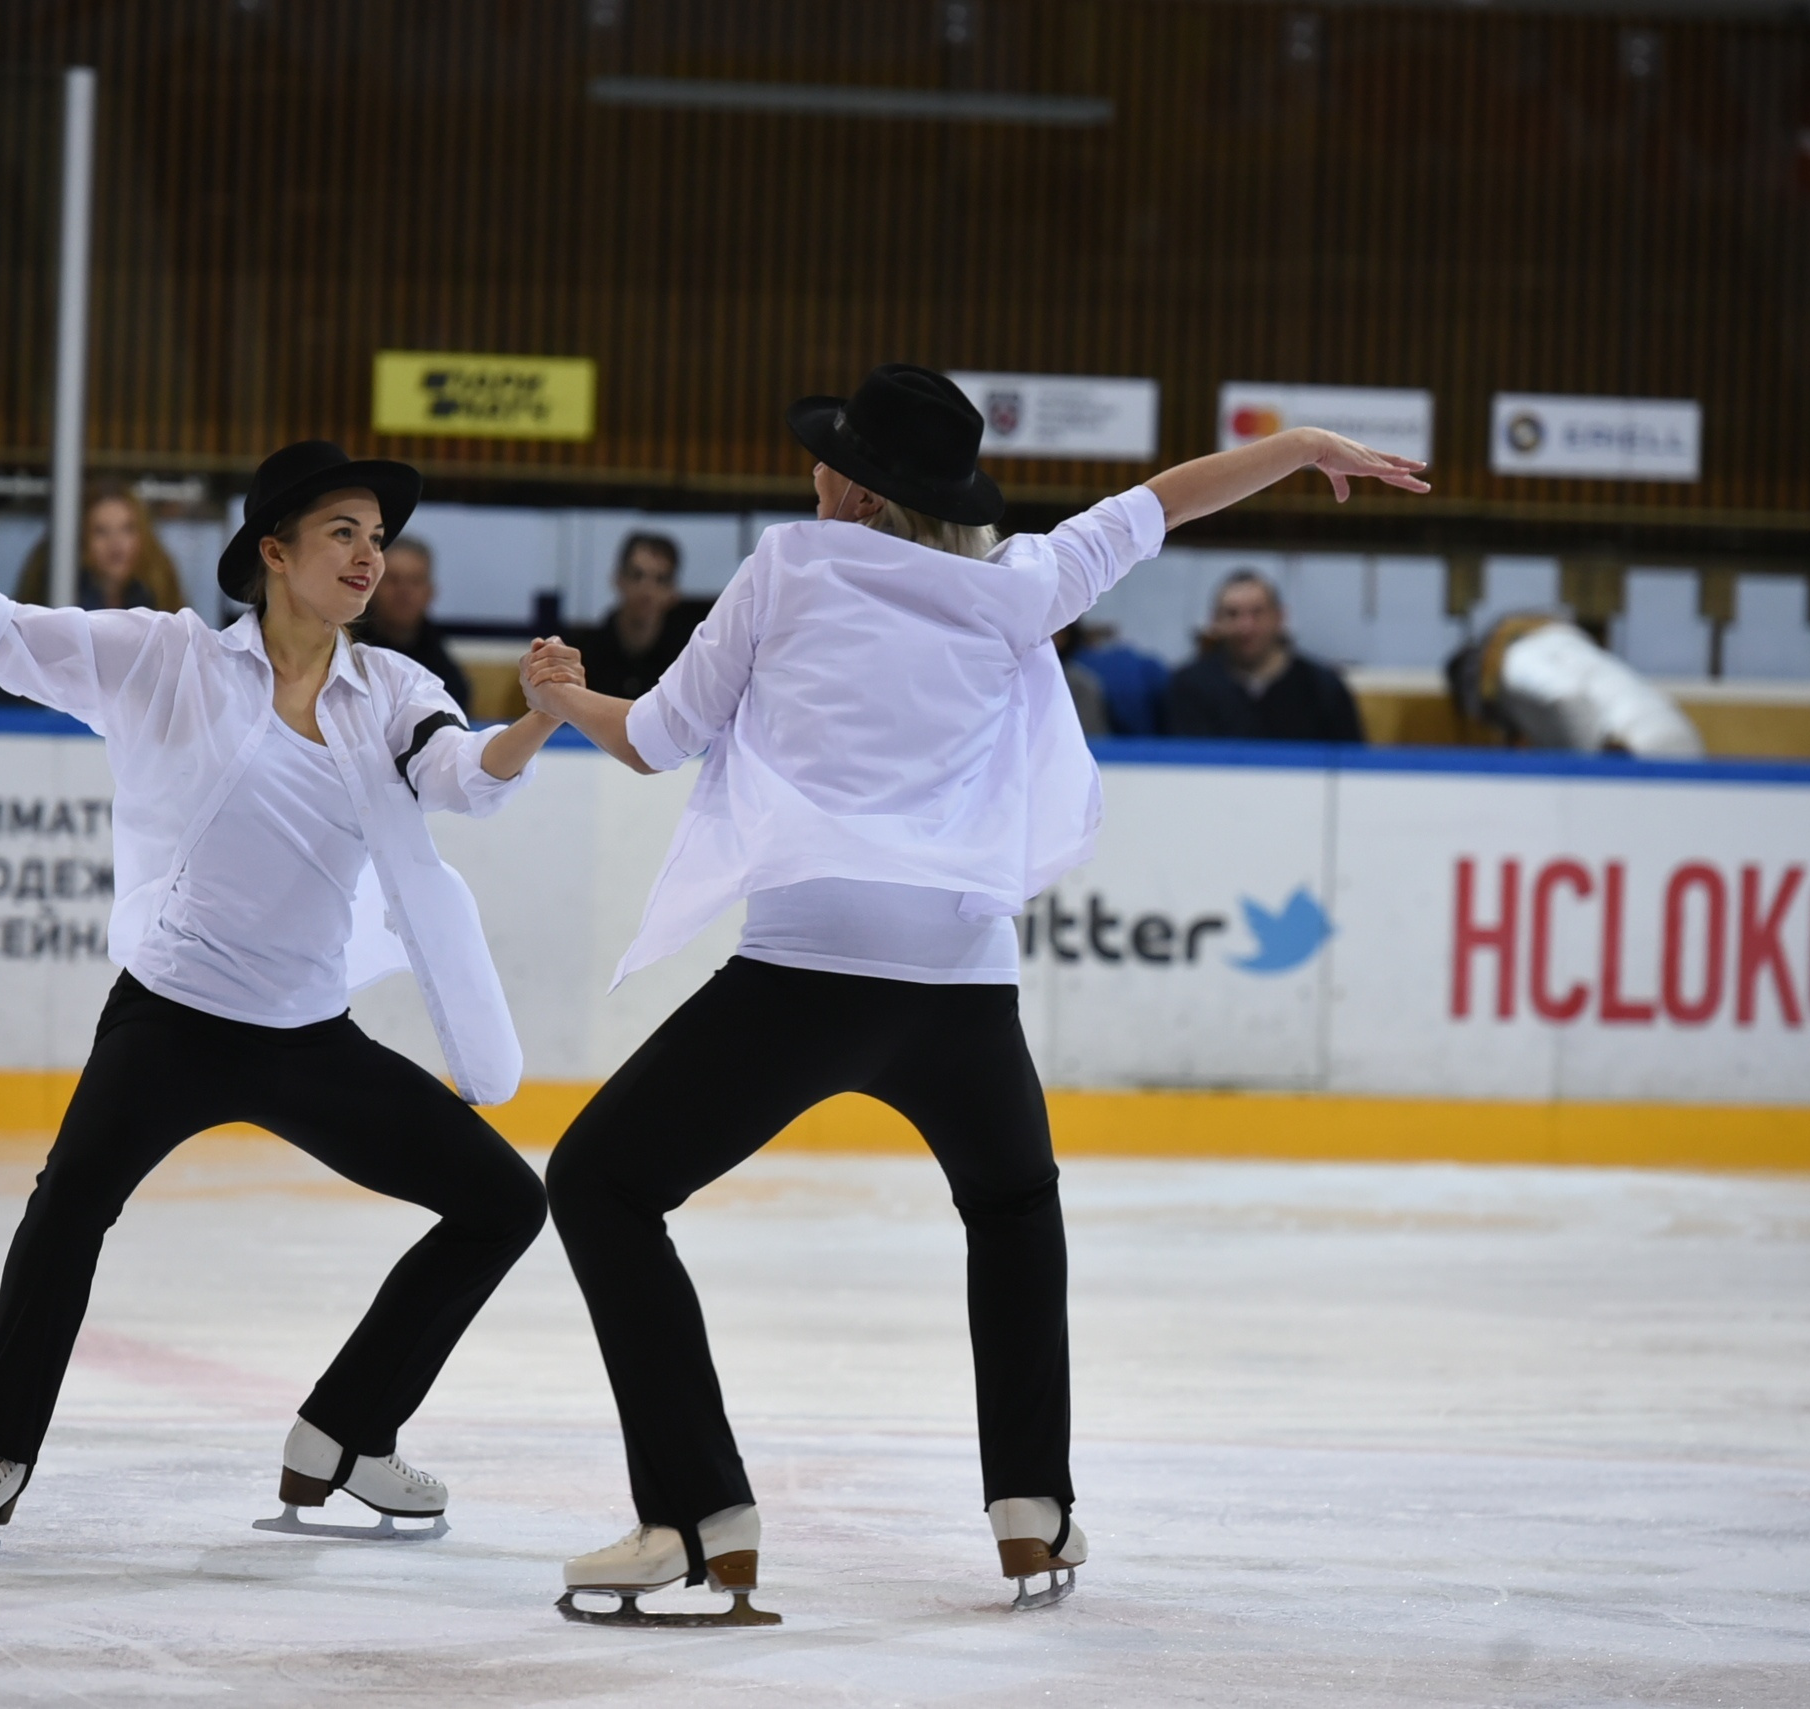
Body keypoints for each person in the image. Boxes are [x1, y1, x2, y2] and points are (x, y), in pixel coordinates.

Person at [518, 364, 1425, 1622]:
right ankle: (1032, 1508)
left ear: (853, 483)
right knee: (1010, 1206)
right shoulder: (1021, 582)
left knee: (600, 1182)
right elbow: (1162, 502)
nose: (812, 471)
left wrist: (558, 695)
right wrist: (1304, 442)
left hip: (806, 970)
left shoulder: (790, 563)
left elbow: (658, 736)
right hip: (960, 986)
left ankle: (696, 1513)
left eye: (827, 455)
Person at [0, 441, 558, 1554]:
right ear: (274, 550)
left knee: (503, 1202)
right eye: (344, 532)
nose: (370, 556)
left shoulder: (391, 691)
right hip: (170, 1018)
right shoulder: (166, 661)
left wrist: (538, 718)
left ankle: (346, 1432)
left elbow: (462, 777)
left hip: (307, 1034)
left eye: (379, 537)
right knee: (66, 1207)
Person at [1448, 615, 1702, 757]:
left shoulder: (1517, 658)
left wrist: (1584, 775)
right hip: (1678, 736)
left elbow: (1567, 697)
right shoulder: (1562, 646)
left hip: (1633, 747)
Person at [1164, 569, 1363, 743]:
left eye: (1257, 613)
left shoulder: (1322, 688)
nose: (1246, 627)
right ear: (1215, 621)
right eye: (1233, 614)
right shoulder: (1190, 687)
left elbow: (1352, 765)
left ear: (1279, 617)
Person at [15, 482, 185, 612]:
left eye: (127, 529)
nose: (116, 544)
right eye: (101, 531)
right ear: (81, 540)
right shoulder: (58, 593)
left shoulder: (159, 590)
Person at [575, 531, 700, 697]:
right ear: (618, 579)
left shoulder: (687, 659)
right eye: (637, 575)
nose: (647, 589)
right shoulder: (583, 654)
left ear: (673, 591)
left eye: (660, 579)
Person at [357, 534, 472, 712]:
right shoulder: (346, 652)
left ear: (430, 592)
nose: (404, 591)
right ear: (371, 585)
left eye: (415, 581)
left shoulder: (444, 670)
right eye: (393, 580)